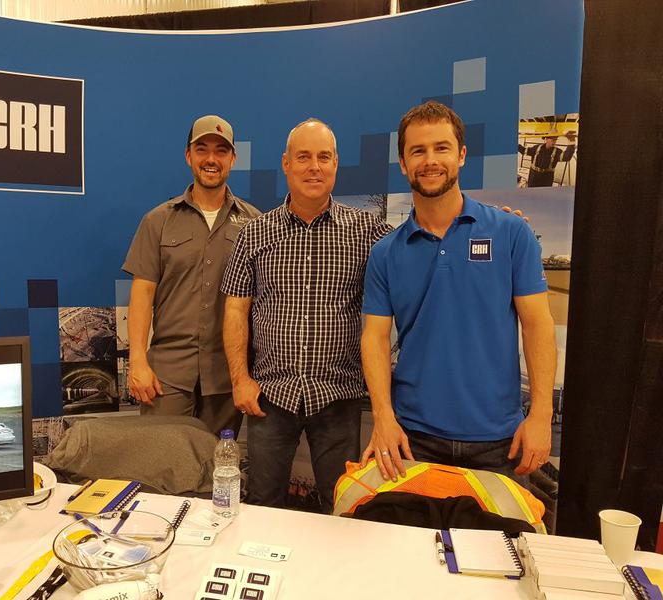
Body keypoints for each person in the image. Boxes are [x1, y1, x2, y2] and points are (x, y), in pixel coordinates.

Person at [361, 101, 557, 486]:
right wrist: (383, 417)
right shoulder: (385, 253)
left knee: (502, 530)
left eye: (442, 148)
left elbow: (538, 325)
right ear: (403, 163)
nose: (430, 160)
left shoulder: (511, 233)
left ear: (461, 155)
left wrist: (541, 415)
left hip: (499, 441)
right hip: (412, 439)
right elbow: (375, 337)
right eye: (418, 151)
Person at [221, 118, 393, 511]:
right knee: (263, 505)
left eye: (323, 157)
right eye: (303, 157)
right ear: (286, 164)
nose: (314, 167)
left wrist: (495, 226)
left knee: (342, 506)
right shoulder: (254, 234)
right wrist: (240, 380)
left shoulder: (367, 231)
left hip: (338, 397)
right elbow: (235, 309)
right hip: (270, 397)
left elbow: (422, 251)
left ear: (336, 164)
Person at [122, 115, 260, 436]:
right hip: (167, 377)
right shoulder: (158, 221)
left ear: (233, 159)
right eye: (202, 149)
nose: (211, 159)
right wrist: (137, 361)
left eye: (221, 151)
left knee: (217, 463)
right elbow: (142, 296)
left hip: (226, 377)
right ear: (188, 156)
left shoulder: (255, 224)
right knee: (164, 461)